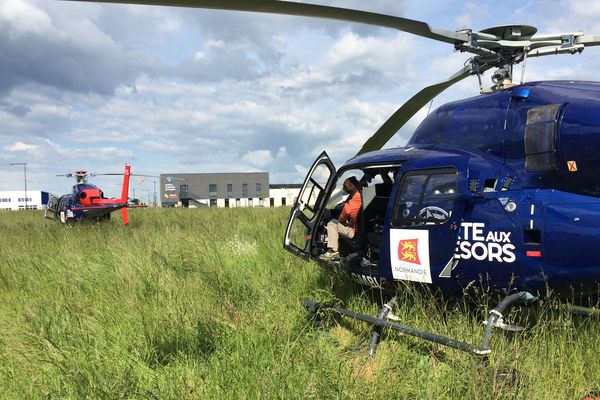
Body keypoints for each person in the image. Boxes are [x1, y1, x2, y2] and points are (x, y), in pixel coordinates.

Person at [320, 176, 362, 261]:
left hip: (355, 232)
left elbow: (341, 221)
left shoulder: (349, 206)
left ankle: (333, 251)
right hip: (364, 229)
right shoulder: (364, 195)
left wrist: (347, 222)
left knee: (332, 223)